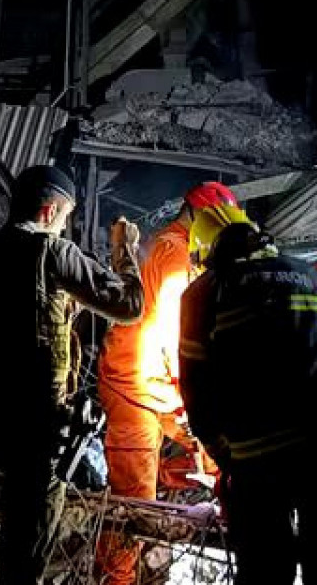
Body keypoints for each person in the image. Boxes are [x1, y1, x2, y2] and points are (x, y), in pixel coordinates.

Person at [0, 165, 144, 585]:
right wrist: (125, 251)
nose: (64, 228)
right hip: (32, 423)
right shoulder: (54, 254)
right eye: (65, 218)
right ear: (49, 213)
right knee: (27, 536)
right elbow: (130, 306)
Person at [179, 205, 317, 585]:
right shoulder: (312, 275)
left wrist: (226, 454)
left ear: (208, 252)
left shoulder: (204, 293)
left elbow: (196, 390)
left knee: (266, 572)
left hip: (262, 463)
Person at [94, 181, 235, 585]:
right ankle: (116, 578)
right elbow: (177, 335)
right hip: (134, 385)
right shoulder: (173, 255)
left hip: (157, 384)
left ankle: (206, 511)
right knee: (134, 499)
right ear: (201, 216)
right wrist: (193, 398)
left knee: (210, 455)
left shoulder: (181, 250)